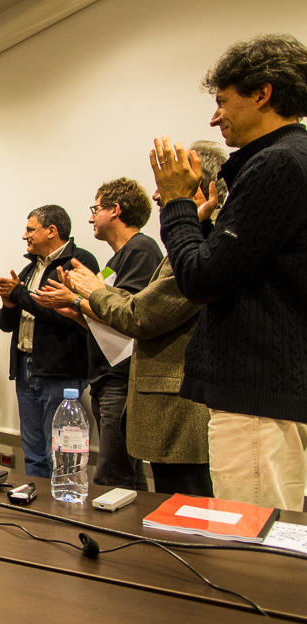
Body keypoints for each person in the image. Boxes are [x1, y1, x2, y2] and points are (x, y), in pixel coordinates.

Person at [151, 34, 307, 510]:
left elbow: (201, 280)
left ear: (262, 93)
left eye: (222, 102)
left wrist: (178, 201)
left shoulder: (276, 164)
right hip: (270, 386)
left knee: (254, 545)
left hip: (257, 393)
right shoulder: (289, 159)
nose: (214, 117)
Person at [60, 142, 229, 496]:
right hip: (157, 401)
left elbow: (141, 315)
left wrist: (90, 293)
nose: (156, 194)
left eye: (168, 183)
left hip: (177, 409)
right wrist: (84, 298)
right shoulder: (184, 243)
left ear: (203, 191)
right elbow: (137, 305)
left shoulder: (199, 243)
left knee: (184, 515)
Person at [32, 179, 161, 491]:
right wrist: (76, 312)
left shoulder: (141, 250)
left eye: (96, 209)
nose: (90, 217)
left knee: (112, 478)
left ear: (115, 211)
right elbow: (104, 318)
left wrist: (76, 301)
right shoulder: (116, 259)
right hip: (107, 377)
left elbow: (128, 316)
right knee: (128, 479)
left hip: (122, 378)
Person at [0, 206, 99, 477]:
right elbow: (5, 324)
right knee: (34, 453)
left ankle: (60, 512)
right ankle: (36, 511)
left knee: (59, 456)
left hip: (60, 371)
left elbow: (67, 316)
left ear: (52, 231)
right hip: (27, 369)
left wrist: (21, 294)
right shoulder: (29, 269)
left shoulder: (78, 262)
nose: (24, 235)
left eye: (30, 229)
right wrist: (10, 302)